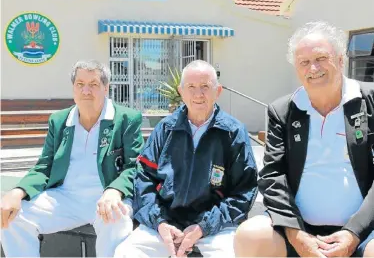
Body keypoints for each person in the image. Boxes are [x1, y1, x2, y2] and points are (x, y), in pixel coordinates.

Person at [234, 21, 374, 257]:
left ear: (340, 60)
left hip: (365, 229)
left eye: (321, 58)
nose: (313, 68)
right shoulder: (283, 111)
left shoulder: (369, 100)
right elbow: (272, 176)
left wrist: (353, 232)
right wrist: (296, 235)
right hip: (298, 228)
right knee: (251, 236)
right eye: (304, 62)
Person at [114, 59, 258, 258]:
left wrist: (203, 226)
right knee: (125, 253)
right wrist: (160, 223)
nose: (198, 94)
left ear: (218, 91)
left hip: (215, 224)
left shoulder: (233, 132)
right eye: (191, 87)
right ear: (181, 91)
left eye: (205, 87)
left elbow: (244, 191)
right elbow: (144, 180)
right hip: (165, 221)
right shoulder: (165, 128)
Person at [1, 60, 144, 257]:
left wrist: (115, 190)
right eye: (80, 84)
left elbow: (134, 166)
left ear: (105, 88)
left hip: (106, 197)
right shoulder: (59, 120)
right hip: (64, 197)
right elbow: (45, 166)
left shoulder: (126, 119)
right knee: (13, 216)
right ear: (74, 89)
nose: (86, 91)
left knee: (117, 220)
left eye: (93, 84)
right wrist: (17, 192)